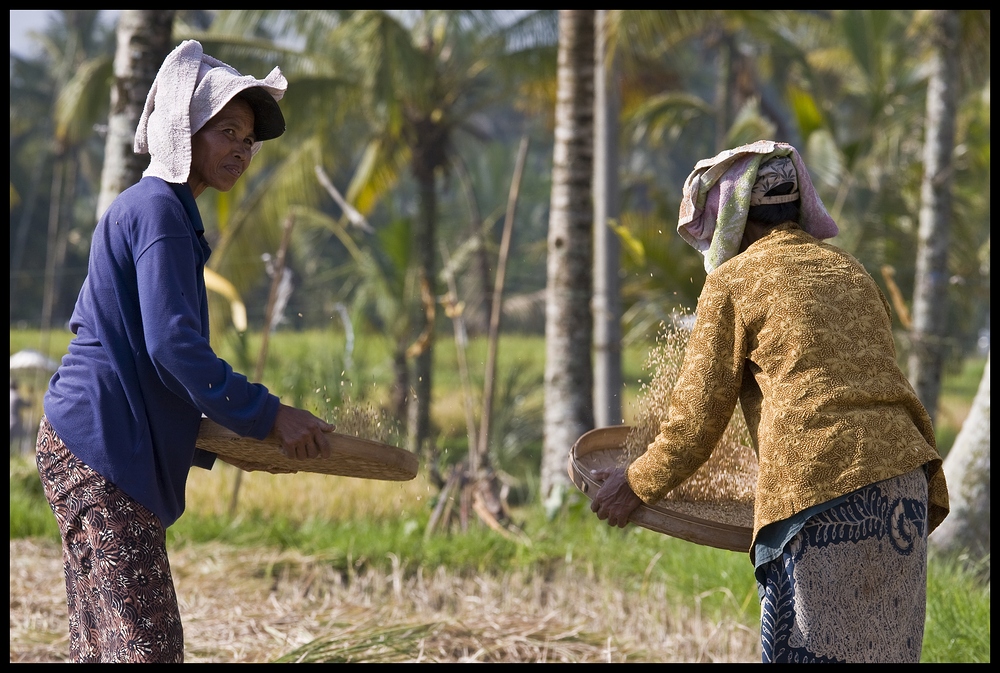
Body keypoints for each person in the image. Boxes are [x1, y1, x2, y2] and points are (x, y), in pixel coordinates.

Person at [588, 140, 949, 663]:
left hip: (821, 494)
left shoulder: (735, 282)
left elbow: (695, 422)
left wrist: (637, 482)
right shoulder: (850, 271)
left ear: (731, 219)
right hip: (904, 490)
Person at [35, 40, 336, 663]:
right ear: (184, 131)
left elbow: (151, 361)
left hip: (91, 440)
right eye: (226, 131)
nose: (241, 149)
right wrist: (270, 415)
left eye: (249, 139)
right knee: (145, 647)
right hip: (100, 442)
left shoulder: (161, 212)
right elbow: (173, 348)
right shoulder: (159, 212)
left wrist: (231, 437)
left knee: (108, 644)